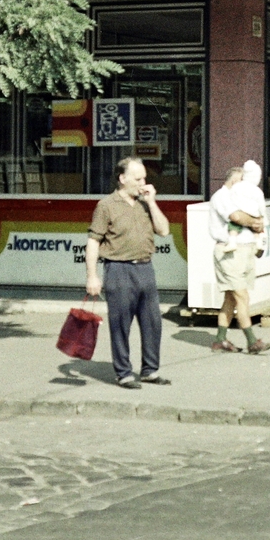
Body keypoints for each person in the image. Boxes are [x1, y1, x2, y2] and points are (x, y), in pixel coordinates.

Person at [85, 156, 172, 390]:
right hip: (118, 269)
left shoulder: (145, 203)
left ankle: (150, 371)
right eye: (138, 178)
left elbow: (164, 230)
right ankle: (123, 373)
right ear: (122, 179)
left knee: (153, 322)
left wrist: (152, 202)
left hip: (145, 268)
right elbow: (93, 242)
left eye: (144, 178)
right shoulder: (106, 206)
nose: (143, 182)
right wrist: (92, 276)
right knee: (120, 323)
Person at [209, 161, 270, 355]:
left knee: (231, 298)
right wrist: (256, 223)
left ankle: (220, 339)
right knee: (242, 296)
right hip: (229, 253)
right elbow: (236, 217)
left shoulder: (237, 196)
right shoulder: (222, 197)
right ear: (235, 179)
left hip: (243, 250)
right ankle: (252, 340)